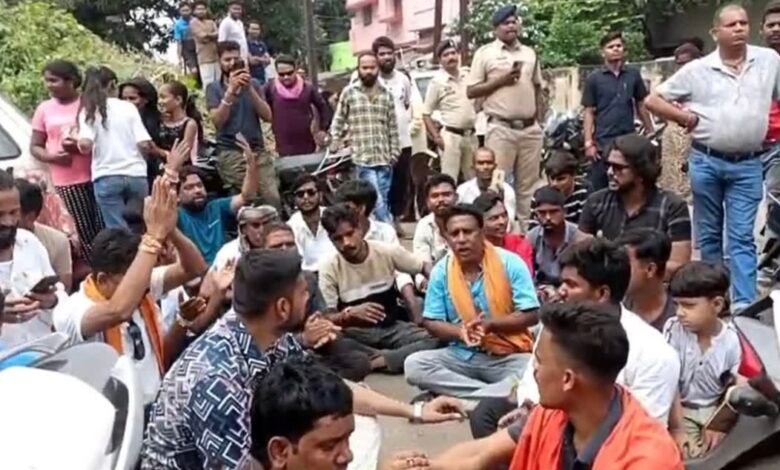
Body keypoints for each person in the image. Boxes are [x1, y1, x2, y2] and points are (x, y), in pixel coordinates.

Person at [141, 248, 467, 469]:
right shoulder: (218, 379)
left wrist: (416, 411)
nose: (309, 299)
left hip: (259, 449)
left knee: (353, 425)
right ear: (283, 308)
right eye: (304, 294)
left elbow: (333, 390)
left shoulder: (266, 336)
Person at [468, 237, 679, 443]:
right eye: (562, 282)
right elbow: (533, 377)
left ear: (602, 293)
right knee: (486, 413)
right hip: (548, 413)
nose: (561, 291)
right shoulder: (556, 325)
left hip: (607, 439)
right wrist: (527, 408)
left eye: (571, 284)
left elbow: (644, 428)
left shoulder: (653, 351)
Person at [645, 4, 780, 311]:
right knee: (708, 236)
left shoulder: (769, 61)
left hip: (749, 162)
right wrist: (683, 118)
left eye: (743, 23)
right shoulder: (698, 69)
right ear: (715, 32)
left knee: (742, 237)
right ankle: (713, 298)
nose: (739, 28)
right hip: (706, 161)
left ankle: (744, 306)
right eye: (731, 24)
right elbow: (653, 99)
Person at [53, 178, 207, 407]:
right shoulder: (73, 310)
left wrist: (169, 229)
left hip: (156, 401)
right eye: (132, 277)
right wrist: (153, 237)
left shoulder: (141, 284)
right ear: (103, 279)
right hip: (117, 416)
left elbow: (194, 268)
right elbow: (118, 310)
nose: (139, 285)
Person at [496, 302, 683, 470]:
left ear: (567, 379)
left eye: (539, 361)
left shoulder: (650, 460)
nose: (535, 370)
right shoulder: (546, 416)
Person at [405, 203, 539, 399]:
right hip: (462, 356)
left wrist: (491, 324)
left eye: (467, 232)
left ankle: (464, 398)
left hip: (509, 356)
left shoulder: (511, 263)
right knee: (414, 365)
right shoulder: (441, 271)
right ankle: (494, 397)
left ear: (482, 232)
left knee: (534, 370)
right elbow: (431, 322)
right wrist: (461, 332)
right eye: (454, 234)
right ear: (446, 238)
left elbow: (531, 314)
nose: (461, 239)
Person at [318, 204, 439, 374]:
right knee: (328, 341)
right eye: (338, 239)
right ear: (330, 239)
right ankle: (394, 358)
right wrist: (348, 315)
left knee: (437, 338)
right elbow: (327, 317)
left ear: (360, 229)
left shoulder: (386, 251)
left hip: (392, 328)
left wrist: (440, 292)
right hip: (356, 334)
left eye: (350, 234)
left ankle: (377, 361)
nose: (346, 243)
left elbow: (424, 267)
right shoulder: (329, 267)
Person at [467, 5, 545, 227]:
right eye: (505, 23)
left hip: (530, 130)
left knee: (528, 188)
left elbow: (538, 88)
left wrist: (540, 122)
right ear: (495, 29)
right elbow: (471, 91)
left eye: (514, 22)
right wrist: (501, 80)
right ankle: (498, 230)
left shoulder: (529, 53)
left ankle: (526, 232)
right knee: (497, 183)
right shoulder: (485, 54)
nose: (511, 26)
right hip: (501, 129)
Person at [577, 134, 692, 276]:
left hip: (654, 284)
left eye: (618, 167)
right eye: (608, 166)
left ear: (640, 171)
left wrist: (630, 272)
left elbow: (678, 265)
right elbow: (581, 254)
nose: (610, 172)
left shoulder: (672, 206)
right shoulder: (596, 202)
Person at [30, 59, 104, 263]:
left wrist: (80, 147)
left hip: (98, 175)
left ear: (71, 81)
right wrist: (52, 157)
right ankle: (95, 268)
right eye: (47, 80)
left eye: (54, 80)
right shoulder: (44, 109)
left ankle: (113, 268)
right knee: (83, 230)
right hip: (67, 182)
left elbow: (106, 138)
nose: (49, 85)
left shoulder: (88, 104)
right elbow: (35, 146)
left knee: (104, 227)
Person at [666, 261, 741, 459]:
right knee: (687, 454)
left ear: (716, 304)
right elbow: (669, 379)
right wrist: (678, 428)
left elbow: (739, 386)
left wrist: (720, 423)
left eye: (689, 306)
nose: (680, 313)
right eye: (677, 304)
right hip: (680, 409)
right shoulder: (674, 329)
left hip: (714, 410)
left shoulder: (733, 340)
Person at [77, 66, 153, 230]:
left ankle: (124, 247)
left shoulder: (89, 111)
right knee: (141, 226)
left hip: (106, 176)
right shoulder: (128, 107)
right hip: (136, 175)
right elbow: (144, 144)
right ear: (113, 84)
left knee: (118, 230)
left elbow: (85, 145)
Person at [330, 52, 399, 223]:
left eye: (372, 67)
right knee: (376, 200)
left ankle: (377, 231)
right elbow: (339, 119)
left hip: (384, 158)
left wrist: (394, 153)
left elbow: (392, 126)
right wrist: (335, 139)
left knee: (382, 199)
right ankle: (389, 230)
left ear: (378, 69)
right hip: (363, 159)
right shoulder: (349, 93)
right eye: (365, 67)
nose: (368, 71)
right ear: (358, 69)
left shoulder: (386, 94)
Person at [207, 40, 278, 208]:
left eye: (236, 59)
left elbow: (268, 116)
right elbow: (217, 122)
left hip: (257, 150)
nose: (232, 63)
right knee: (251, 197)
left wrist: (249, 89)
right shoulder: (214, 88)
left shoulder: (254, 84)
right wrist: (230, 91)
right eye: (227, 59)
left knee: (272, 198)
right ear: (219, 62)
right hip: (231, 151)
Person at [0, 170, 67, 348]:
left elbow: (60, 296)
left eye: (13, 212)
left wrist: (52, 300)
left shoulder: (29, 243)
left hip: (43, 353)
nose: (8, 222)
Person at [582, 31, 654, 190]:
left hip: (628, 138)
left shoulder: (633, 75)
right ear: (603, 52)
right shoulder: (594, 78)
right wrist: (588, 143)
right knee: (601, 186)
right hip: (603, 141)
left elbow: (641, 104)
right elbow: (589, 111)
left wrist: (650, 132)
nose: (615, 49)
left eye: (619, 46)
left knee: (629, 182)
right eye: (610, 47)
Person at [175, 135, 258, 265]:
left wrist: (251, 165)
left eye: (199, 185)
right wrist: (171, 168)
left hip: (224, 266)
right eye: (188, 188)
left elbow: (246, 196)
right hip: (196, 272)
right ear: (177, 196)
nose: (197, 190)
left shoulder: (216, 206)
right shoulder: (177, 215)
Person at [423, 39, 477, 183]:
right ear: (440, 60)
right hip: (451, 137)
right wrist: (436, 137)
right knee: (449, 179)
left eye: (453, 53)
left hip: (471, 135)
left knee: (473, 179)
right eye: (446, 55)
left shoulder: (468, 75)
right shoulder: (437, 82)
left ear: (458, 55)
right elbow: (426, 113)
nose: (451, 57)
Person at [658, 42, 703, 201]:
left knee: (690, 181)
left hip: (695, 134)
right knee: (671, 181)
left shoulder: (707, 82)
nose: (683, 67)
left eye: (686, 63)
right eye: (679, 64)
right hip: (673, 134)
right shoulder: (674, 83)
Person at [264, 55, 332, 157]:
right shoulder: (270, 88)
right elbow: (262, 108)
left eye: (289, 73)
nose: (286, 77)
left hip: (306, 142)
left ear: (295, 70)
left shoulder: (307, 88)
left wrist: (323, 129)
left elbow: (322, 107)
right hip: (282, 144)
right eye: (281, 74)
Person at [16, 178, 73, 292]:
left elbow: (64, 287)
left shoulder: (57, 241)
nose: (5, 220)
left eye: (12, 212)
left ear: (30, 217)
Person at [619, 228, 677, 331]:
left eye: (624, 264)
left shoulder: (680, 318)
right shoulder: (611, 309)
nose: (617, 270)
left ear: (650, 269)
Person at [526, 187, 578, 289]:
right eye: (542, 213)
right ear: (536, 214)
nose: (548, 218)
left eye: (554, 212)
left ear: (565, 212)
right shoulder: (531, 238)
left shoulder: (578, 237)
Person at [472, 191, 534, 276]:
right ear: (479, 223)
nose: (502, 222)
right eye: (494, 218)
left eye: (504, 215)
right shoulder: (472, 248)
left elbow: (524, 276)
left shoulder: (519, 244)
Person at [528, 150, 588, 229]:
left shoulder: (584, 192)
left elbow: (585, 227)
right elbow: (533, 228)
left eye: (561, 179)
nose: (554, 184)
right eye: (552, 178)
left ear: (573, 176)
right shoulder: (539, 195)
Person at [288, 174, 336, 272]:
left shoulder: (334, 216)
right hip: (309, 275)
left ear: (320, 195)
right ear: (294, 199)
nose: (306, 197)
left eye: (311, 192)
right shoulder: (291, 225)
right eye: (300, 194)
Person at [210, 204, 279, 272]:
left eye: (266, 224)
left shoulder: (281, 246)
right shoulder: (228, 253)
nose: (262, 230)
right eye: (256, 226)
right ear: (244, 229)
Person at [457, 147, 517, 222]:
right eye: (480, 163)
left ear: (495, 166)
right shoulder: (463, 190)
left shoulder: (507, 190)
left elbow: (509, 220)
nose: (485, 167)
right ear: (473, 167)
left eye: (489, 163)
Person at [414, 174, 458, 269]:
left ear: (456, 197)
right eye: (435, 196)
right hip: (434, 275)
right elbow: (424, 263)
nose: (441, 199)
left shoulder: (468, 222)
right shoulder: (424, 225)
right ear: (427, 201)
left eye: (446, 194)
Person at [157, 80, 202, 164]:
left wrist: (161, 152)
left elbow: (184, 155)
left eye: (163, 97)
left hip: (182, 168)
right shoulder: (160, 121)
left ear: (178, 99)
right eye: (159, 98)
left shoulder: (189, 124)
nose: (159, 101)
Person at [190, 0, 220, 90]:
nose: (201, 11)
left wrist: (208, 35)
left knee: (219, 82)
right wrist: (212, 35)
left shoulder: (211, 22)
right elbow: (202, 37)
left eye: (203, 9)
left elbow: (218, 34)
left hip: (216, 56)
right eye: (198, 9)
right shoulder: (193, 23)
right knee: (208, 83)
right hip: (204, 58)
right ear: (194, 11)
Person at [173, 2, 199, 80]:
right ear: (180, 11)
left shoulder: (196, 21)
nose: (185, 12)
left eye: (187, 10)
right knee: (194, 71)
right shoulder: (178, 25)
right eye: (183, 10)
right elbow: (179, 43)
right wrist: (179, 58)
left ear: (191, 10)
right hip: (187, 49)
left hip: (198, 46)